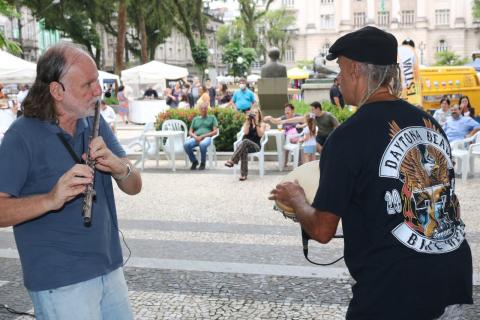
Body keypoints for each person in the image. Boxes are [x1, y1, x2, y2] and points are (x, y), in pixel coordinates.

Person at [269, 26, 472, 320]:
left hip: (394, 287)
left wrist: (297, 198)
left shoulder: (348, 136)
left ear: (355, 69)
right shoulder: (429, 123)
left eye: (339, 69)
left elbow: (323, 230)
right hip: (452, 274)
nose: (337, 79)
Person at [0, 43, 142, 319]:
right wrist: (51, 199)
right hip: (60, 280)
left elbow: (135, 186)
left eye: (98, 81)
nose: (99, 91)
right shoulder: (21, 136)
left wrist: (117, 167)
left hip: (109, 268)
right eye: (88, 84)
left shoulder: (92, 123)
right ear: (57, 91)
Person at [225, 107, 266, 181]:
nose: (254, 114)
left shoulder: (262, 124)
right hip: (245, 145)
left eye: (256, 113)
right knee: (244, 148)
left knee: (245, 141)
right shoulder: (247, 123)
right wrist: (247, 121)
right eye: (252, 113)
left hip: (256, 146)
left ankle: (232, 160)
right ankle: (243, 175)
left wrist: (256, 123)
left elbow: (260, 135)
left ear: (259, 115)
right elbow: (246, 133)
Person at [264, 103, 302, 168]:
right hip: (287, 138)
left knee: (295, 144)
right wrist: (270, 118)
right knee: (283, 143)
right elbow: (276, 121)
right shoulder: (284, 117)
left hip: (297, 137)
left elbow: (306, 122)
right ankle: (285, 162)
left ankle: (299, 162)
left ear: (293, 110)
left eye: (288, 110)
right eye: (285, 110)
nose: (286, 112)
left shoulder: (298, 116)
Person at [183, 101, 218, 170]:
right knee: (186, 144)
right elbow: (190, 132)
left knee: (202, 144)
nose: (203, 110)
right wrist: (195, 137)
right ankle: (194, 161)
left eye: (205, 108)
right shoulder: (195, 119)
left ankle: (203, 163)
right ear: (199, 110)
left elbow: (215, 131)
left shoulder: (212, 118)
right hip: (196, 137)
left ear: (207, 109)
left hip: (207, 137)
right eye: (202, 109)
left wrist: (202, 136)